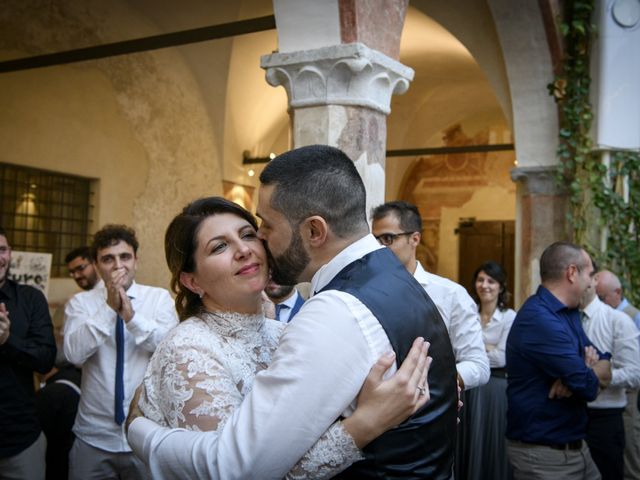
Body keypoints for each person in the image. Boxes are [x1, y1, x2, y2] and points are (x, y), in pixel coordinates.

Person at [128, 144, 459, 479]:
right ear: (191, 281)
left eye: (262, 228)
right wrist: (362, 425)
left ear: (314, 231)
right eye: (220, 246)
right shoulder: (395, 282)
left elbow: (235, 467)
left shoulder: (328, 316)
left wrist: (139, 432)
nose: (254, 242)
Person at [63, 224, 178, 479]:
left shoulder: (158, 299)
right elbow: (73, 354)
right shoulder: (80, 303)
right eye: (107, 259)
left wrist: (131, 318)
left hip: (145, 434)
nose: (118, 266)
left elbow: (169, 350)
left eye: (124, 257)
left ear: (135, 260)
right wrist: (109, 308)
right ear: (96, 263)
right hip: (93, 436)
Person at [506, 241, 612, 480]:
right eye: (590, 274)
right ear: (572, 273)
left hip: (578, 449)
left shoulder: (569, 312)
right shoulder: (539, 320)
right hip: (545, 458)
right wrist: (583, 374)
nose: (591, 283)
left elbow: (605, 362)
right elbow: (588, 387)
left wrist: (583, 372)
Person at [371, 201, 489, 391]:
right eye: (375, 240)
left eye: (387, 238)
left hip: (431, 407)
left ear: (415, 239)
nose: (378, 247)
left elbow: (477, 365)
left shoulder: (451, 295)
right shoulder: (366, 291)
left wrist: (427, 383)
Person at [0, 227, 56, 479]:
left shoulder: (31, 299)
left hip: (20, 439)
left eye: (2, 250)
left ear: (10, 253)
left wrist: (6, 340)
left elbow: (45, 360)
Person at [581, 262, 640, 480]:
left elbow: (635, 372)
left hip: (605, 417)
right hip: (568, 415)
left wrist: (599, 376)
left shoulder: (620, 320)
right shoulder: (563, 319)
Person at [459, 261, 516, 480]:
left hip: (496, 390)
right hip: (469, 387)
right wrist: (487, 349)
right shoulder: (468, 313)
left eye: (491, 281)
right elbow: (457, 350)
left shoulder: (509, 317)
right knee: (468, 439)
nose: (485, 285)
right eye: (480, 280)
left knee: (490, 441)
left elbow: (502, 356)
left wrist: (475, 352)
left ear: (501, 287)